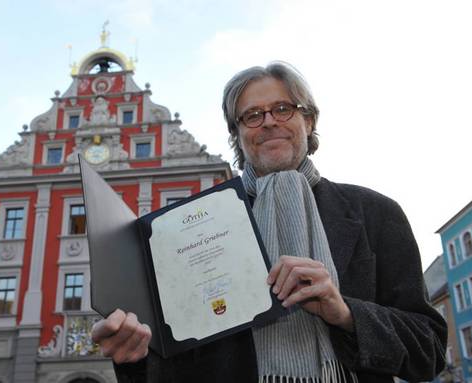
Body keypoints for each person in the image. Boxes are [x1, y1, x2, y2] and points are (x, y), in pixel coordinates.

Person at [91, 62, 447, 383]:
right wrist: (134, 359)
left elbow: (429, 350)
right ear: (238, 135)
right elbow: (177, 363)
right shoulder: (190, 228)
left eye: (283, 108)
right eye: (252, 115)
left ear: (308, 121)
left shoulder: (375, 212)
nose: (269, 122)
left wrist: (345, 313)